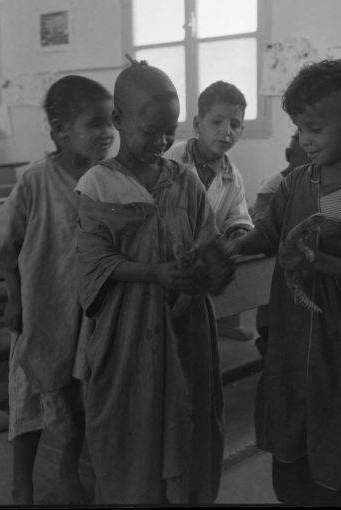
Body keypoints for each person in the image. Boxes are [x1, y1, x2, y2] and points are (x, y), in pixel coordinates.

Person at [229, 59, 341, 505]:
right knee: (289, 461)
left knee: (334, 455)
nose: (304, 140)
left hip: (339, 354)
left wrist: (318, 261)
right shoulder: (296, 182)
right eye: (298, 128)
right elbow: (270, 231)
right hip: (290, 345)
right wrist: (230, 246)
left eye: (313, 128)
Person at [74, 60, 228, 505]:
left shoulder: (185, 181)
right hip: (128, 338)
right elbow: (92, 262)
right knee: (133, 437)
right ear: (118, 121)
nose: (161, 142)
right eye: (150, 132)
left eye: (170, 131)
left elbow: (208, 240)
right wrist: (154, 274)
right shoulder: (98, 186)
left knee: (190, 422)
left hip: (187, 333)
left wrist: (213, 265)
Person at [0, 75, 115, 505]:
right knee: (29, 409)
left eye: (111, 123)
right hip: (41, 314)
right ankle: (22, 483)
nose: (107, 133)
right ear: (59, 131)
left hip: (87, 321)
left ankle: (69, 471)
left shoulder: (109, 180)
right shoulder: (36, 181)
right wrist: (13, 297)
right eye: (95, 123)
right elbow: (2, 244)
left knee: (79, 407)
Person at [164, 80, 254, 341]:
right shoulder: (169, 160)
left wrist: (238, 232)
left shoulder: (233, 176)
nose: (226, 132)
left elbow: (238, 217)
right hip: (166, 257)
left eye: (235, 125)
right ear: (196, 124)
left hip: (200, 262)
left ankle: (219, 323)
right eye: (217, 122)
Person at [251, 130, 310, 356]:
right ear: (288, 155)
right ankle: (269, 342)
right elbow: (262, 223)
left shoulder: (317, 182)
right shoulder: (274, 184)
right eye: (304, 156)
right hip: (277, 259)